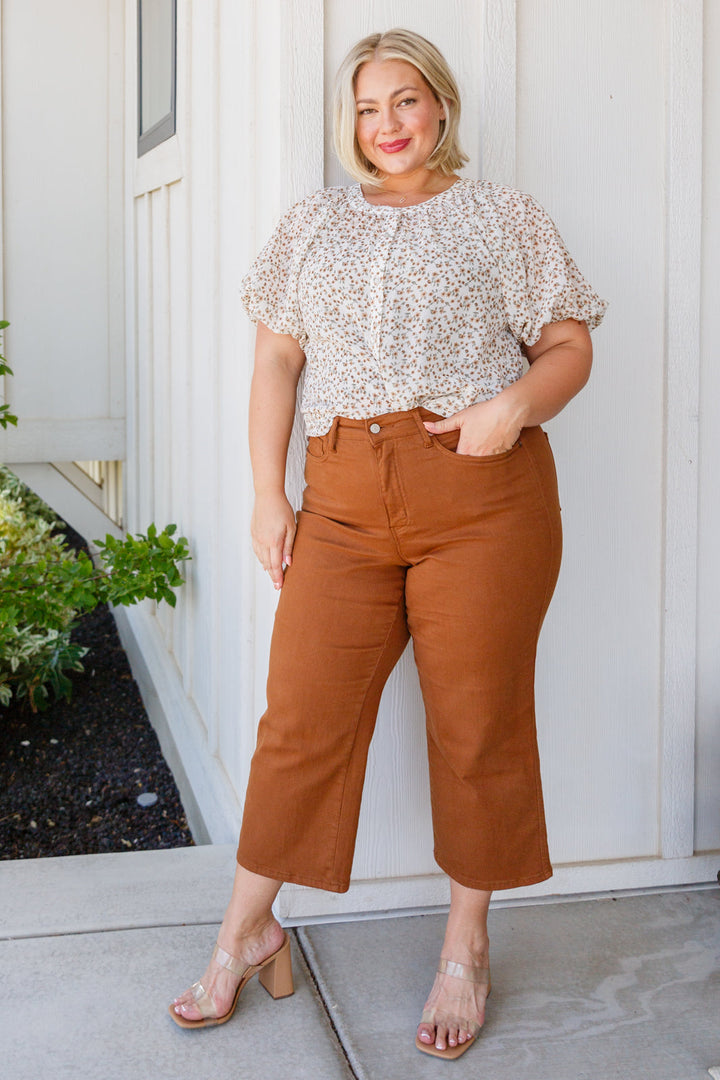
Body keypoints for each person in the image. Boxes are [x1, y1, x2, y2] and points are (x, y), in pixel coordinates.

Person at [170, 27, 607, 1059]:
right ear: (349, 125)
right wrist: (268, 496)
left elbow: (570, 343)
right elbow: (277, 362)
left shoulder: (504, 217)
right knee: (302, 719)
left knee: (476, 720)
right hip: (345, 495)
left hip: (483, 497)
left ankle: (466, 945)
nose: (387, 125)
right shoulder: (314, 224)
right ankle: (247, 928)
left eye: (404, 101)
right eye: (367, 109)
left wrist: (514, 406)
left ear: (441, 106)